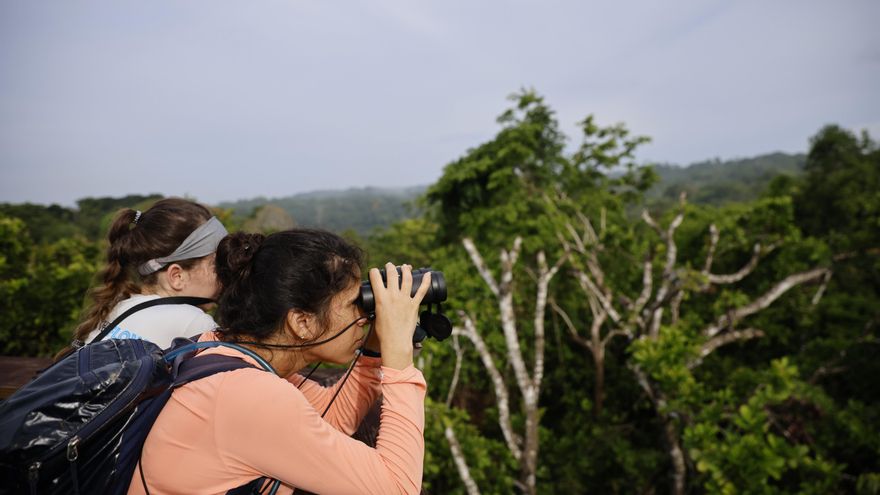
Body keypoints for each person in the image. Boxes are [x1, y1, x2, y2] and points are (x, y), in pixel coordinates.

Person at [129, 229, 429, 495]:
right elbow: (398, 487)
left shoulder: (223, 348)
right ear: (302, 322)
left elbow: (330, 419)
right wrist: (399, 355)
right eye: (354, 304)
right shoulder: (249, 395)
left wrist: (374, 350)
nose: (363, 317)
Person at [70, 197, 228, 351]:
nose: (225, 272)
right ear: (177, 276)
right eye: (216, 264)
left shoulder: (119, 307)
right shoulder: (195, 323)